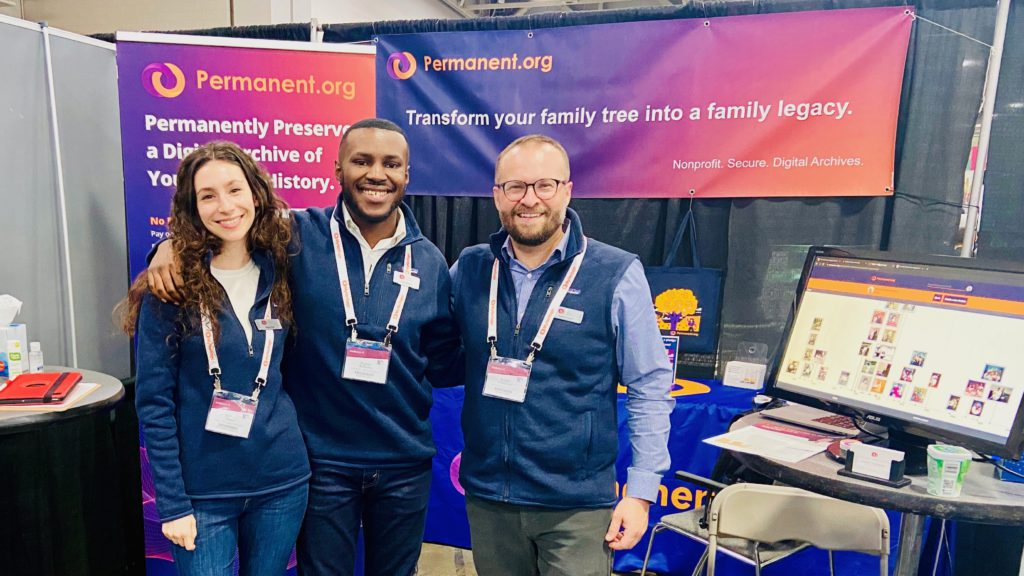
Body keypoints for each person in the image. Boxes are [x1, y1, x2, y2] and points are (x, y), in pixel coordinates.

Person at [147, 119, 463, 576]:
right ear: (337, 169)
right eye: (362, 160)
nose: (377, 173)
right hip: (323, 462)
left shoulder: (430, 260)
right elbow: (224, 230)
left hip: (402, 462)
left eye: (391, 163)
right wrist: (167, 249)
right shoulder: (295, 236)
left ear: (407, 174)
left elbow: (440, 358)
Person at [449, 134, 674, 575]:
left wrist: (641, 491)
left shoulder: (616, 273)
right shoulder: (470, 269)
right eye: (514, 187)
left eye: (544, 186)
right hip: (491, 500)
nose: (529, 200)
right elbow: (427, 348)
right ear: (496, 196)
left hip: (576, 508)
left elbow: (650, 384)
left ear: (567, 191)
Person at [117, 141, 309, 575]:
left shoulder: (285, 266)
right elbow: (154, 404)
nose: (225, 206)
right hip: (201, 495)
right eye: (208, 195)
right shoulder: (170, 287)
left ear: (255, 194)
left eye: (234, 189)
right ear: (192, 206)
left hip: (281, 483)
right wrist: (172, 504)